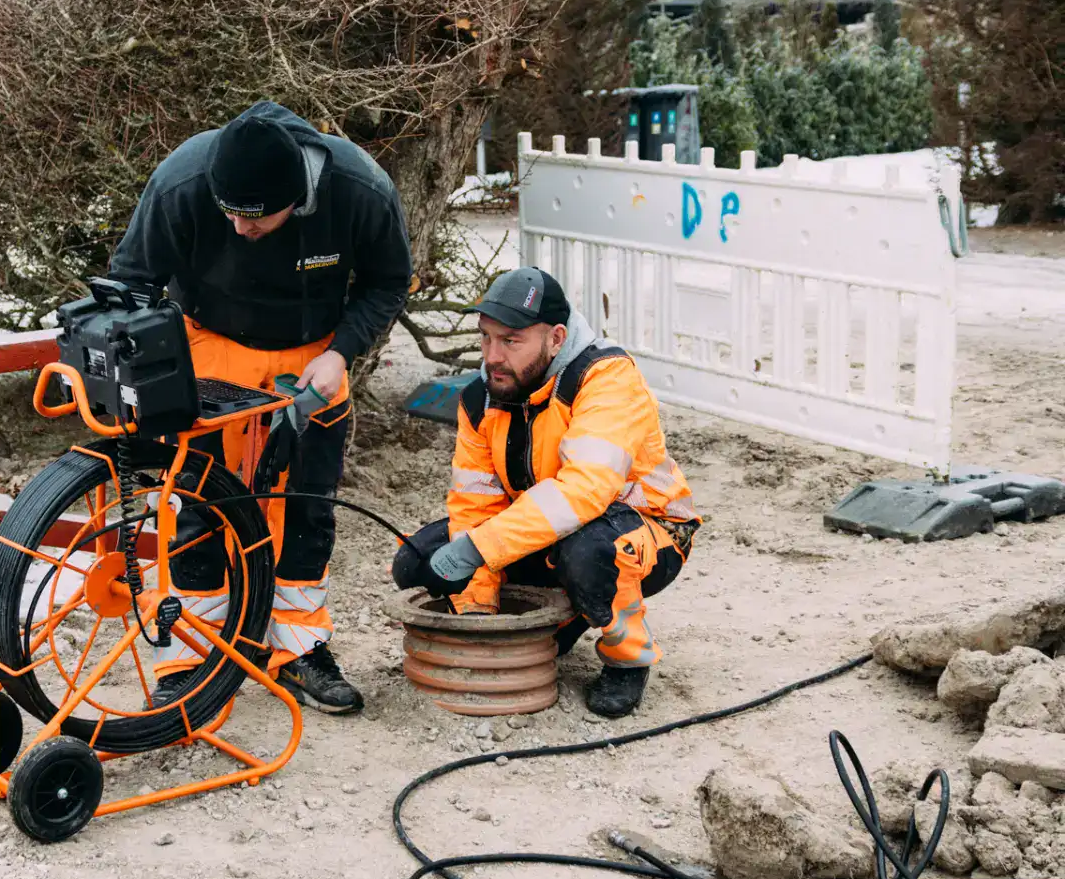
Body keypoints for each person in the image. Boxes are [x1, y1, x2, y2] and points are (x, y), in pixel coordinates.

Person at [109, 100, 413, 714]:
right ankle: (190, 655)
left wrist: (343, 353)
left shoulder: (359, 189)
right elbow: (131, 278)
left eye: (258, 219)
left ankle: (297, 647)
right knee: (196, 508)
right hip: (207, 346)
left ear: (299, 198)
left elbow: (388, 282)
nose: (242, 230)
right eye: (231, 216)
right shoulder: (183, 181)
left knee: (306, 507)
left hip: (312, 361)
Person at [392, 268, 700, 718]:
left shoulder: (608, 379)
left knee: (589, 552)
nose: (493, 356)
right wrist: (477, 606)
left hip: (649, 532)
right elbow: (475, 503)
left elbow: (582, 492)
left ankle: (627, 658)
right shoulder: (482, 396)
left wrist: (479, 549)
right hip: (547, 526)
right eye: (486, 338)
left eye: (511, 341)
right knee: (417, 563)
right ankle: (564, 613)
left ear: (556, 338)